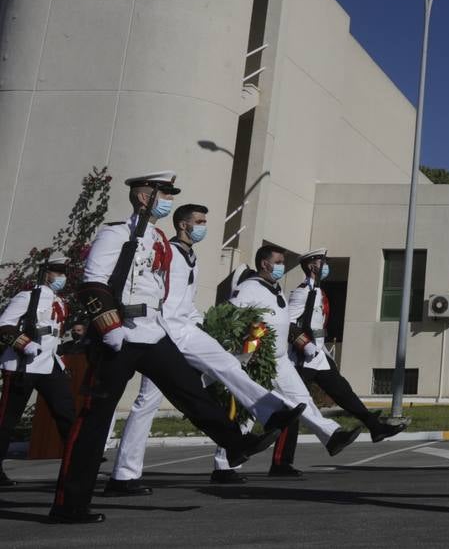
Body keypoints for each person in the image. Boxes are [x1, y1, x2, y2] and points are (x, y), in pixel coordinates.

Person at [49, 171, 299, 524]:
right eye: (162, 193)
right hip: (119, 335)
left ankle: (235, 443)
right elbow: (92, 285)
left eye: (169, 194)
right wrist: (109, 328)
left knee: (190, 391)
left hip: (152, 332)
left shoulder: (158, 240)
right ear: (142, 197)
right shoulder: (116, 233)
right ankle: (68, 505)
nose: (166, 199)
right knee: (94, 419)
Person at [106, 204, 305, 495]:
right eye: (199, 221)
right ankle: (123, 476)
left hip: (185, 329)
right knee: (147, 403)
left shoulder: (190, 256)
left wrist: (208, 327)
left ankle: (270, 412)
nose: (204, 226)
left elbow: (184, 303)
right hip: (162, 333)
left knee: (227, 363)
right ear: (183, 225)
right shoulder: (169, 251)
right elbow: (158, 293)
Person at [210, 245, 360, 482]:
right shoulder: (249, 288)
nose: (281, 266)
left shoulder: (275, 289)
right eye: (278, 262)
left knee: (302, 399)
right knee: (245, 413)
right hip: (255, 359)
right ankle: (224, 464)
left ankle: (332, 436)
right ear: (264, 264)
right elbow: (231, 318)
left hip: (280, 359)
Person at [269, 248, 406, 477]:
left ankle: (376, 428)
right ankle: (280, 462)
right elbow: (288, 324)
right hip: (303, 359)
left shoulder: (319, 291)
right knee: (293, 408)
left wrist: (320, 349)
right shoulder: (302, 292)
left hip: (319, 356)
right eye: (323, 262)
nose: (326, 265)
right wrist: (305, 344)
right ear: (312, 266)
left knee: (344, 393)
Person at [0, 255, 77, 488]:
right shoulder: (27, 297)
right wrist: (24, 343)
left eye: (64, 272)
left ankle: (77, 464)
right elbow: (3, 325)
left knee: (67, 414)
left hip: (49, 365)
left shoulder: (60, 302)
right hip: (23, 364)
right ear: (46, 273)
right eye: (57, 271)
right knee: (7, 419)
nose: (61, 276)